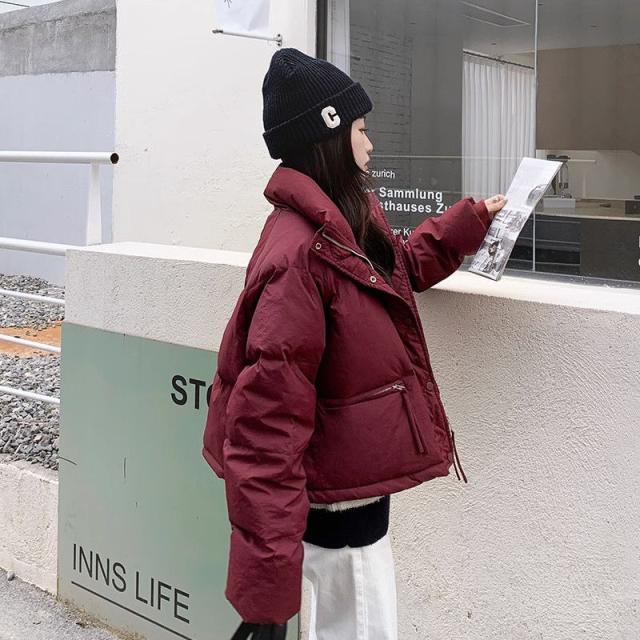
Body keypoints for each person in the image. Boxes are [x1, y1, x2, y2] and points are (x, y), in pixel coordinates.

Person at [202, 48, 506, 640]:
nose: (371, 144)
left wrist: (465, 225)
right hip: (338, 511)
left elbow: (392, 273)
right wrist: (266, 601)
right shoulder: (301, 253)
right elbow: (265, 427)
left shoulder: (342, 222)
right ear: (329, 137)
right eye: (361, 129)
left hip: (349, 489)